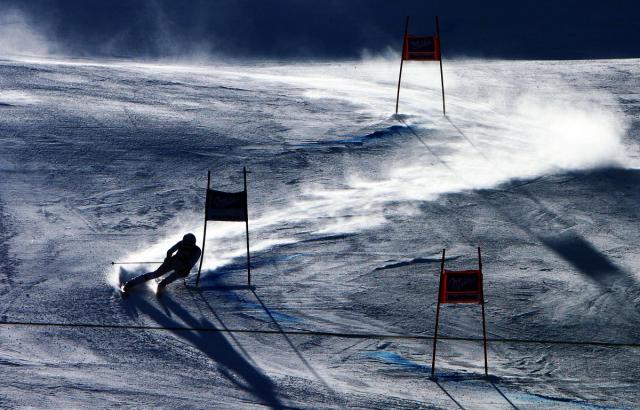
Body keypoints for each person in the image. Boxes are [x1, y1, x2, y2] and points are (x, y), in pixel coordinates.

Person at [121, 233, 201, 295]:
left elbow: (190, 263)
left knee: (170, 274)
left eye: (188, 245)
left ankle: (162, 284)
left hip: (179, 265)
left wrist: (169, 259)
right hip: (175, 262)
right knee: (159, 274)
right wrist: (168, 259)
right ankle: (132, 283)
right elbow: (171, 252)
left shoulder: (196, 250)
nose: (186, 247)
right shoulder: (186, 246)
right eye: (185, 245)